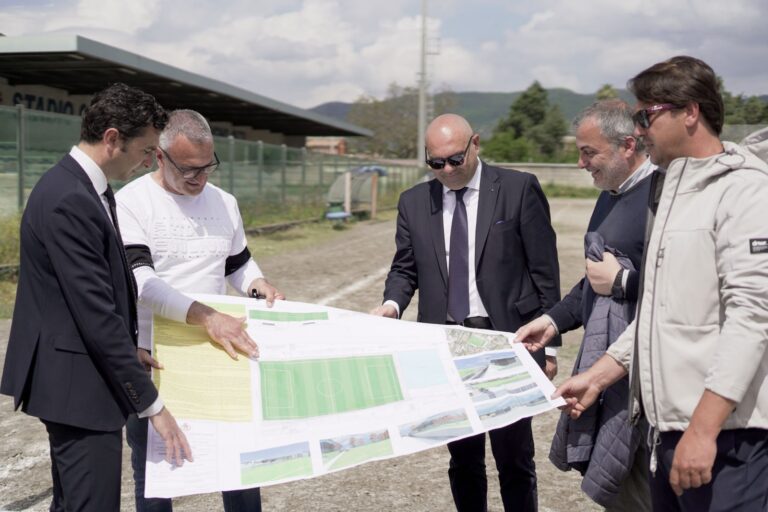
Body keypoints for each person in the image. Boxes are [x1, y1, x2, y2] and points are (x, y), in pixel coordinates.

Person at [553, 56, 768, 511]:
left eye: (647, 116)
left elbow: (752, 320)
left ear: (690, 112)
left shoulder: (746, 191)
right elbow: (660, 312)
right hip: (667, 433)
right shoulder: (673, 193)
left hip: (728, 440)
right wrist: (598, 375)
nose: (641, 128)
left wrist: (703, 431)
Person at [0, 83, 192, 512]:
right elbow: (94, 312)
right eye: (144, 151)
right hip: (77, 388)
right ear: (111, 138)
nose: (147, 163)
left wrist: (129, 349)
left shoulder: (90, 189)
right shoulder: (69, 198)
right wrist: (151, 404)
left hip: (79, 378)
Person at [371, 113, 561, 511]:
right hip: (445, 346)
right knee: (463, 458)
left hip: (509, 341)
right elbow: (405, 267)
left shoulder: (517, 188)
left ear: (475, 143)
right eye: (436, 163)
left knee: (514, 458)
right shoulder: (413, 202)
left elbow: (544, 269)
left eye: (455, 160)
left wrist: (551, 345)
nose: (447, 171)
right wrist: (392, 305)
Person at [116, 109, 284, 512]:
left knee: (239, 465)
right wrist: (208, 316)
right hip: (153, 358)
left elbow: (237, 264)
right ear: (160, 156)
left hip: (218, 351)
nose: (199, 178)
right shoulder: (130, 203)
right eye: (188, 169)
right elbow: (142, 284)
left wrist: (257, 285)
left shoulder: (225, 203)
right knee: (156, 470)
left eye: (206, 167)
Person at [516, 100, 656, 510]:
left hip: (645, 379)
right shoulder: (610, 195)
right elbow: (595, 283)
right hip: (612, 373)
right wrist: (552, 321)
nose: (580, 164)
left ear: (628, 145)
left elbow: (684, 292)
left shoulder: (663, 197)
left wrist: (625, 282)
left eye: (588, 153)